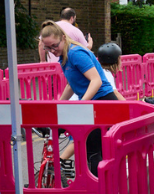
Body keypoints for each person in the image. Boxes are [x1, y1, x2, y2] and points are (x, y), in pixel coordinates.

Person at [41, 21, 116, 178]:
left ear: (63, 38)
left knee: (92, 151)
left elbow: (96, 80)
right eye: (47, 48)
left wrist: (80, 104)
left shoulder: (76, 53)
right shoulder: (64, 56)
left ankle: (100, 193)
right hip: (94, 103)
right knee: (90, 148)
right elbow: (71, 85)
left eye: (54, 46)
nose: (52, 51)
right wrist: (59, 104)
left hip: (103, 102)